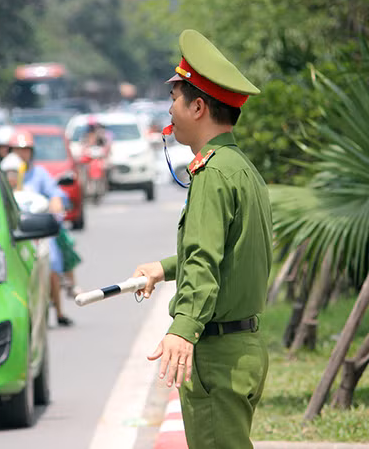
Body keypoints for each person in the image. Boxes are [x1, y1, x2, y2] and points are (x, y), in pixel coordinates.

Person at [130, 29, 271, 449]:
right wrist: (164, 268)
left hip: (218, 356)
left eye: (174, 98)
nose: (169, 109)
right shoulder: (239, 167)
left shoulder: (213, 174)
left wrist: (183, 328)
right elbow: (228, 250)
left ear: (197, 106)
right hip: (242, 348)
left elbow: (206, 259)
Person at [9, 129, 76, 326]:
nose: (21, 154)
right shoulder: (3, 173)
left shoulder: (39, 174)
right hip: (13, 232)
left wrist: (56, 202)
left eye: (25, 150)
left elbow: (55, 193)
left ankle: (59, 311)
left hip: (37, 230)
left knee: (52, 261)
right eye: (17, 150)